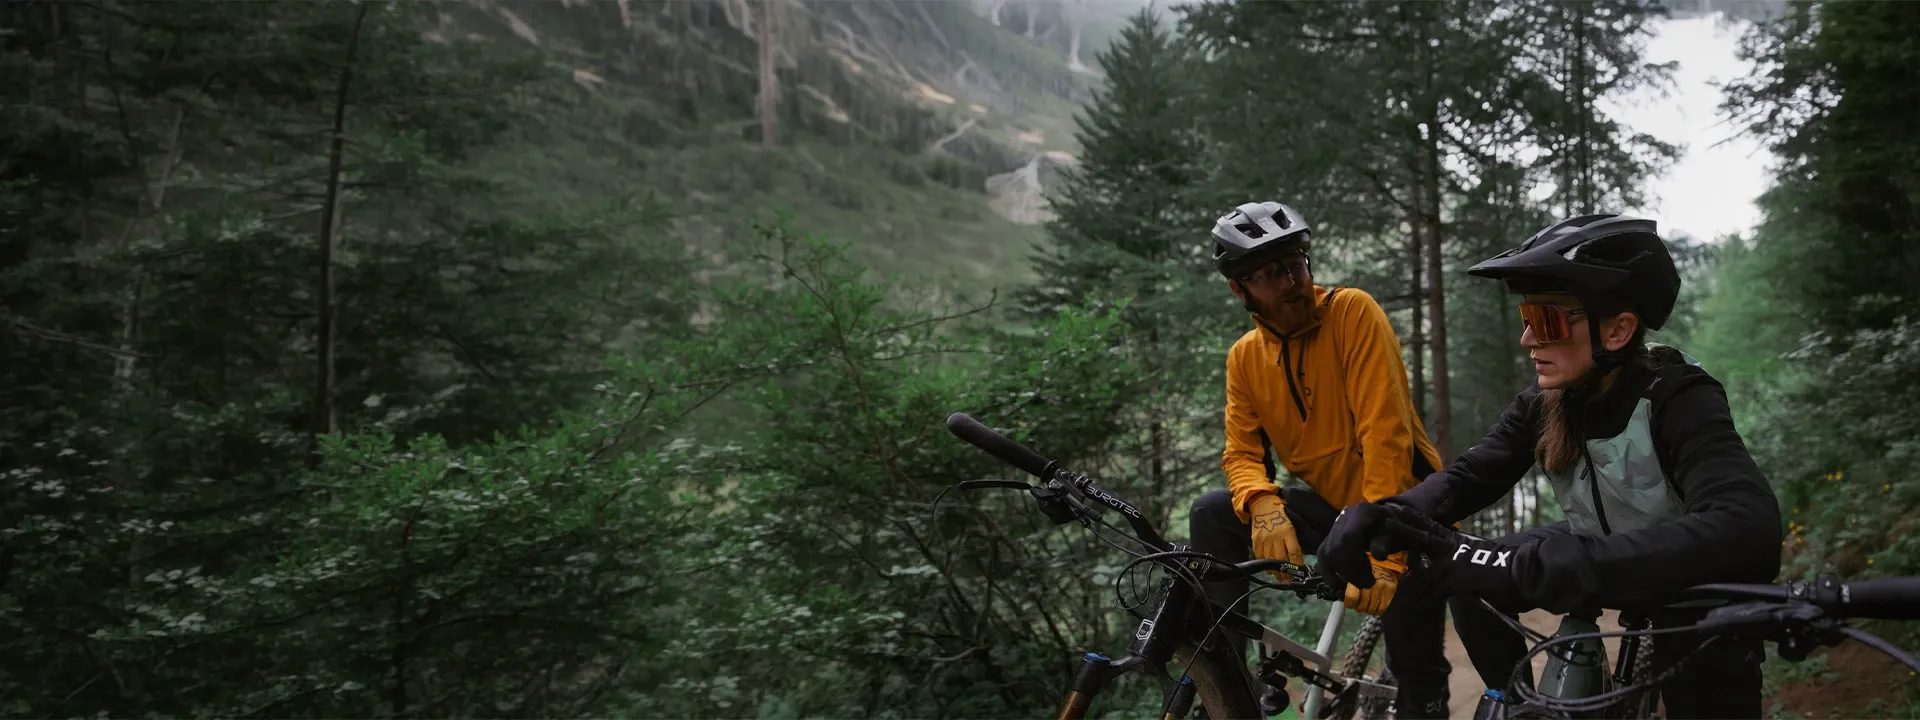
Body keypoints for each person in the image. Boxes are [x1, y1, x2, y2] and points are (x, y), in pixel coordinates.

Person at [1318, 213, 1784, 719]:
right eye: (1526, 319)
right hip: (1596, 544)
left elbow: (1746, 525)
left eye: (1546, 322)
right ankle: (1513, 701)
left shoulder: (1677, 396)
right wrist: (1381, 516)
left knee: (1707, 683)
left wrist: (1552, 569)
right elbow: (1468, 478)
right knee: (1471, 571)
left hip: (1694, 583)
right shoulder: (1546, 404)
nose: (1527, 340)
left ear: (1619, 330)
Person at [1187, 201, 1454, 718]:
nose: (1290, 281)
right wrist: (1260, 501)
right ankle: (1224, 688)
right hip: (1336, 512)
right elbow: (1241, 452)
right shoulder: (1245, 358)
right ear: (1239, 290)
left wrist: (1387, 549)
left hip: (1410, 514)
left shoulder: (1352, 312)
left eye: (1295, 264)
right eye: (1268, 274)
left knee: (1418, 676)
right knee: (1212, 513)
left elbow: (1386, 434)